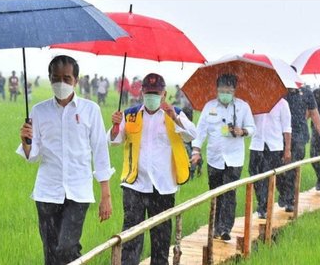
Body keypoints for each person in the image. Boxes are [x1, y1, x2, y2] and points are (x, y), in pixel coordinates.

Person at [17, 55, 114, 265]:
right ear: (50, 79)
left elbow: (100, 152)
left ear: (76, 80)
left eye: (67, 78)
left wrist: (105, 194)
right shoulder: (39, 111)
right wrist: (26, 141)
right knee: (51, 252)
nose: (61, 83)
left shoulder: (90, 110)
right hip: (47, 192)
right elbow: (33, 156)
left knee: (67, 246)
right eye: (56, 78)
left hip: (78, 191)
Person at [109, 73, 197, 265]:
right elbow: (114, 141)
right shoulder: (130, 114)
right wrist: (115, 127)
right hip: (135, 184)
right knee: (131, 234)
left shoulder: (174, 113)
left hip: (163, 186)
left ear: (164, 94)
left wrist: (175, 117)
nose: (151, 97)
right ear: (141, 93)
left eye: (156, 93)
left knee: (161, 236)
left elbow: (192, 135)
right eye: (148, 93)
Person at [191, 73, 255, 241]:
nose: (224, 94)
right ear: (217, 89)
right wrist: (196, 151)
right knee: (215, 193)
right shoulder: (209, 107)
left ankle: (225, 227)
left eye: (228, 90)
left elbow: (252, 127)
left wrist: (243, 131)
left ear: (234, 90)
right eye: (222, 90)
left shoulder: (243, 107)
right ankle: (215, 226)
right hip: (214, 158)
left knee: (229, 192)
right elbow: (200, 131)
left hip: (235, 158)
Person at [283, 83, 320, 212]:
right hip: (281, 134)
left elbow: (314, 113)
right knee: (279, 167)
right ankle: (284, 193)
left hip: (300, 135)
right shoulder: (280, 92)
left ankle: (290, 199)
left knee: (293, 166)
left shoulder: (306, 92)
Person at [249, 98, 292, 218]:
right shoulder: (255, 102)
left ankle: (265, 206)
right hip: (257, 144)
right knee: (254, 175)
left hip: (273, 146)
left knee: (270, 177)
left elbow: (287, 128)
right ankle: (262, 202)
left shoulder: (282, 104)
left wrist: (287, 149)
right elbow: (249, 123)